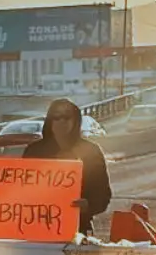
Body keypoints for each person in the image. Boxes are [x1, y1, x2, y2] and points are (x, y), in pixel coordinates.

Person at [21, 98, 112, 236]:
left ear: (76, 121)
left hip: (78, 228)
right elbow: (17, 189)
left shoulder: (91, 151)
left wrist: (88, 205)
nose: (61, 121)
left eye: (66, 117)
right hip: (37, 229)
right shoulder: (33, 151)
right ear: (50, 121)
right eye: (56, 117)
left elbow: (103, 194)